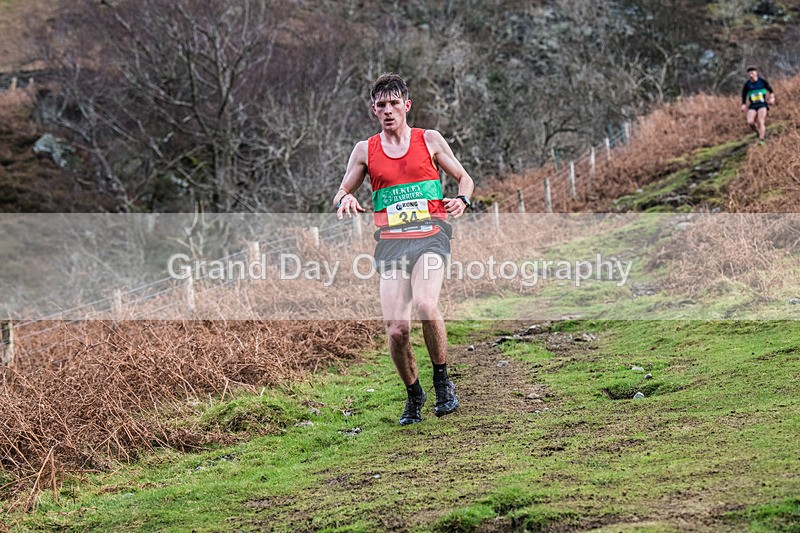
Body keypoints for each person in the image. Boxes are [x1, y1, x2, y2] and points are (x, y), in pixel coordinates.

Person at [333, 73, 475, 426]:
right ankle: (415, 395)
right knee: (396, 329)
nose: (388, 110)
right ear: (374, 111)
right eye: (381, 105)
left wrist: (463, 199)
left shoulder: (429, 139)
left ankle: (443, 384)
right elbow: (340, 191)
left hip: (431, 235)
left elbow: (465, 178)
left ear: (407, 105)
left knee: (426, 304)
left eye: (395, 103)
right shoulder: (365, 150)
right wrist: (345, 198)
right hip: (392, 245)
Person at [741, 67, 775, 144]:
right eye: (749, 74)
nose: (750, 75)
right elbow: (744, 95)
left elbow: (771, 91)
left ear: (756, 73)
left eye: (752, 73)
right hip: (753, 105)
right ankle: (758, 132)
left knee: (761, 121)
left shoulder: (762, 82)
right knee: (750, 122)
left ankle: (762, 139)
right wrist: (743, 104)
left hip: (762, 104)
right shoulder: (747, 84)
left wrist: (772, 98)